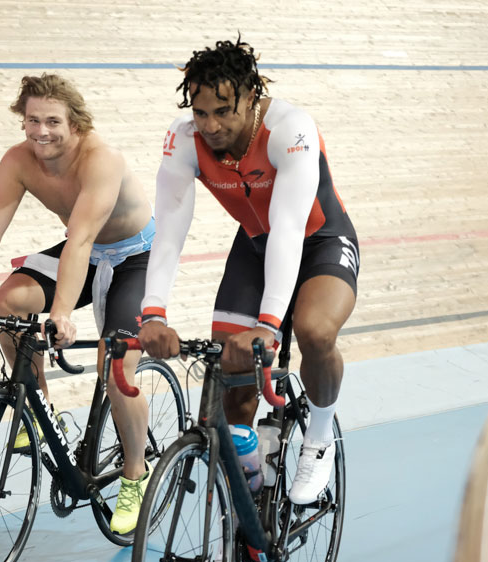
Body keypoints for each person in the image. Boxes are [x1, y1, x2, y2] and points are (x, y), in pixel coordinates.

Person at [0, 74, 155, 534]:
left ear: (76, 123)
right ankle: (45, 412)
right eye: (32, 120)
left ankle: (135, 475)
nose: (41, 132)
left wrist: (62, 312)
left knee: (117, 371)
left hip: (136, 257)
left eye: (52, 121)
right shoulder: (19, 161)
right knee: (8, 303)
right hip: (81, 250)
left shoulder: (100, 160)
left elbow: (83, 238)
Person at [139, 37, 359, 507]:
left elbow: (288, 228)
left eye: (224, 111)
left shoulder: (289, 128)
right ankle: (245, 520)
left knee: (315, 332)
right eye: (201, 113)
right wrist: (152, 312)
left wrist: (268, 325)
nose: (211, 125)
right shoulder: (184, 139)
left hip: (319, 241)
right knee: (230, 391)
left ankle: (319, 438)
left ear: (251, 98)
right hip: (257, 249)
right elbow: (169, 233)